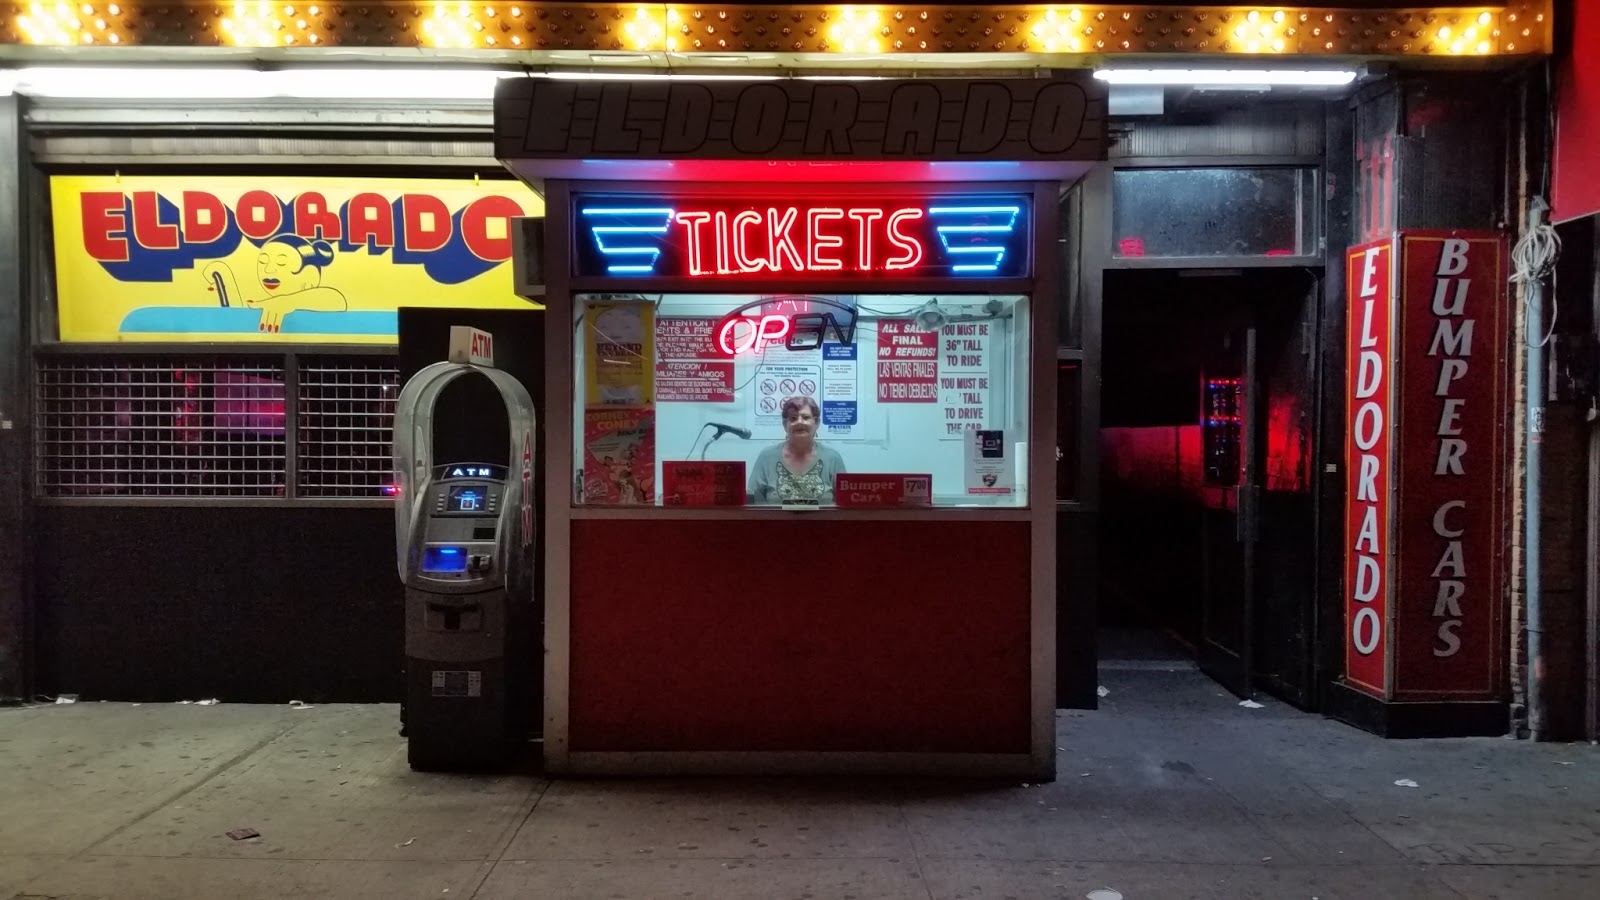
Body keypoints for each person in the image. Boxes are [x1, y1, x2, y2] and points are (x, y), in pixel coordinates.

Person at [748, 396, 847, 505]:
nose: (800, 422)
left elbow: (844, 502)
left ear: (817, 422)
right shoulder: (767, 457)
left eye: (805, 417)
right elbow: (753, 502)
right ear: (785, 425)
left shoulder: (832, 458)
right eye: (793, 418)